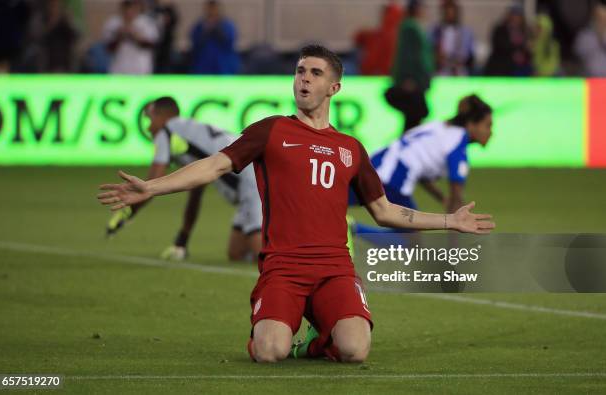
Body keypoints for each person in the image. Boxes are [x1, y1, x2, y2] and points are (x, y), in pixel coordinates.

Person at [98, 45, 495, 363]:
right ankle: (282, 333)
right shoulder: (271, 131)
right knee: (270, 351)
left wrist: (450, 220)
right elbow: (213, 166)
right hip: (283, 268)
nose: (304, 79)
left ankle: (312, 344)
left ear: (334, 88)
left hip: (335, 269)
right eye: (300, 71)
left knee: (355, 350)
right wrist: (152, 187)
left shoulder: (350, 149)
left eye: (315, 73)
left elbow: (386, 211)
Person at [105, 96, 262, 262]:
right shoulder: (189, 132)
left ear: (162, 117)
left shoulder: (166, 131)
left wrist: (128, 212)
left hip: (249, 178)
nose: (149, 127)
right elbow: (196, 193)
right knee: (235, 253)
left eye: (150, 119)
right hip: (251, 170)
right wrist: (183, 240)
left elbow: (151, 183)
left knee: (262, 252)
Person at [351, 94, 493, 236]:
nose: (491, 132)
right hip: (394, 178)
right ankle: (353, 229)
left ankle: (350, 229)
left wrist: (441, 197)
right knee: (411, 239)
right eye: (487, 125)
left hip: (373, 164)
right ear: (471, 124)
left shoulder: (440, 126)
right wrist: (456, 240)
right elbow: (456, 197)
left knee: (333, 203)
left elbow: (421, 170)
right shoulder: (458, 144)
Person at [387, 0, 434, 133]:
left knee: (413, 118)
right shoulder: (410, 27)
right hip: (413, 81)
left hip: (416, 80)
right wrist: (408, 77)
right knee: (414, 117)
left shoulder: (413, 26)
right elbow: (408, 54)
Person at [102, 0, 159, 74]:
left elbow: (152, 45)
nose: (129, 11)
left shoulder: (146, 22)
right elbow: (108, 48)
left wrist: (136, 36)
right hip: (119, 70)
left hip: (141, 69)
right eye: (127, 7)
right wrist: (119, 36)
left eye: (133, 8)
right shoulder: (113, 22)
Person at [189, 0, 239, 74]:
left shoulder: (227, 25)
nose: (212, 11)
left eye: (214, 9)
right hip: (203, 65)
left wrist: (217, 30)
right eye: (210, 9)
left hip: (223, 65)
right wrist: (205, 31)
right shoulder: (200, 25)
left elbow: (230, 42)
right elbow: (194, 43)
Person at [484, 5, 532, 76]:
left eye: (518, 16)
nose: (516, 19)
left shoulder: (524, 31)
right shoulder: (500, 29)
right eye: (513, 16)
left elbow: (528, 49)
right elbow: (499, 45)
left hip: (518, 70)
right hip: (500, 68)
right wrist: (514, 51)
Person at [430, 0, 475, 76]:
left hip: (459, 70)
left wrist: (460, 60)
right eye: (447, 12)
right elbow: (430, 49)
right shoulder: (435, 31)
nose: (450, 15)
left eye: (452, 12)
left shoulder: (465, 32)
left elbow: (469, 53)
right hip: (441, 71)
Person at [574, 1, 606, 77]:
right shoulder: (584, 37)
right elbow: (578, 54)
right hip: (590, 81)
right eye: (600, 18)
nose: (602, 22)